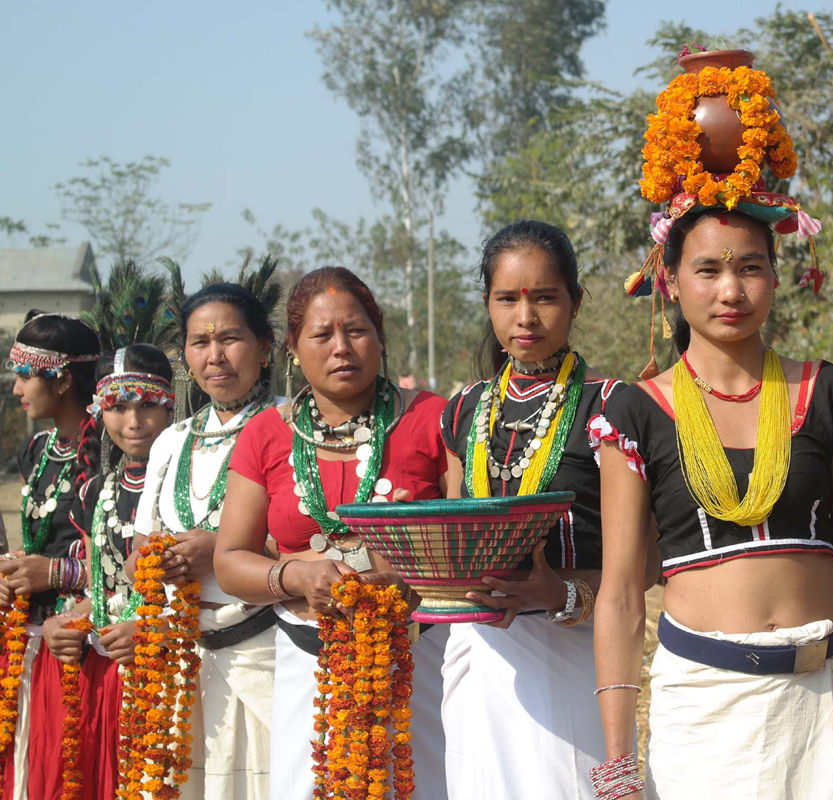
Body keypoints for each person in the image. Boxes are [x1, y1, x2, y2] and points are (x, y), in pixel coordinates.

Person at [592, 48, 833, 799]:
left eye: (750, 267)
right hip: (704, 712)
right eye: (708, 270)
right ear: (670, 283)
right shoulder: (637, 411)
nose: (731, 289)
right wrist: (619, 757)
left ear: (777, 279)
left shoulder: (829, 394)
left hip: (827, 699)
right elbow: (621, 595)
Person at [213, 266, 449, 800]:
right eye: (321, 335)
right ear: (293, 348)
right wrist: (296, 575)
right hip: (307, 659)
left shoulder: (432, 417)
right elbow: (229, 561)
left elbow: (466, 541)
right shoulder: (265, 434)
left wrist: (406, 565)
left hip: (419, 659)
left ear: (380, 336)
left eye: (357, 331)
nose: (342, 348)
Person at [439, 220, 639, 798]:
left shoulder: (615, 407)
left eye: (545, 297)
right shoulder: (463, 410)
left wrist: (561, 594)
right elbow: (458, 529)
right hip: (480, 647)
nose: (525, 317)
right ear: (488, 304)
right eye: (507, 299)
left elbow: (645, 568)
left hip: (578, 647)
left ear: (575, 302)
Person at [131, 268, 283, 800]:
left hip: (266, 650)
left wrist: (219, 552)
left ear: (265, 348)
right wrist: (156, 560)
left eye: (230, 339)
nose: (215, 356)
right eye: (200, 342)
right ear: (185, 357)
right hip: (180, 664)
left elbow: (310, 543)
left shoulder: (290, 427)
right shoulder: (171, 441)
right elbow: (136, 551)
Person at [42, 344, 176, 800]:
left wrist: (151, 627)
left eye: (148, 405)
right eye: (118, 407)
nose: (133, 421)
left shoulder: (187, 483)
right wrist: (67, 620)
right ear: (99, 411)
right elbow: (103, 584)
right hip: (106, 666)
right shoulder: (97, 489)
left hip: (172, 663)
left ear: (171, 404)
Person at [1, 311, 101, 799]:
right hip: (28, 636)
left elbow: (124, 562)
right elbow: (37, 539)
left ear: (60, 380)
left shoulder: (107, 451)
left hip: (80, 641)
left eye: (24, 374)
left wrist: (55, 572)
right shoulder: (36, 449)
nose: (16, 386)